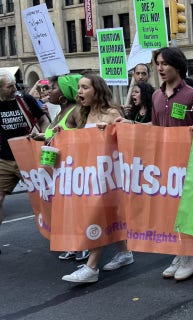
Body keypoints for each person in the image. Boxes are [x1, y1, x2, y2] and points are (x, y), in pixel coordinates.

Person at [60, 73, 130, 283]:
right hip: (91, 174)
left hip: (109, 175)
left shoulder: (112, 112)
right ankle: (125, 253)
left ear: (97, 90)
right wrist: (57, 134)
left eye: (85, 88)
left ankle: (91, 267)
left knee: (98, 215)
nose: (79, 92)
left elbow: (126, 138)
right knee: (110, 215)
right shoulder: (83, 114)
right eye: (79, 88)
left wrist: (110, 130)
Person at [148, 47, 193, 280]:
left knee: (187, 210)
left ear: (178, 65)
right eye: (158, 64)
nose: (160, 68)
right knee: (170, 211)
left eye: (164, 63)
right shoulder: (156, 96)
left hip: (188, 163)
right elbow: (154, 129)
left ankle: (191, 254)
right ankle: (179, 253)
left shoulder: (192, 95)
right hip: (164, 163)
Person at [31, 74, 90, 261]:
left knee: (77, 208)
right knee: (66, 208)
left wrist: (62, 137)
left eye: (54, 88)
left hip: (74, 168)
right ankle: (73, 244)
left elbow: (86, 138)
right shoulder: (59, 113)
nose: (49, 91)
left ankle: (85, 245)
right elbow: (54, 136)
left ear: (64, 93)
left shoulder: (76, 111)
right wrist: (42, 137)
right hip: (58, 169)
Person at [0, 70, 50, 255]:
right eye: (9, 86)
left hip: (30, 156)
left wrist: (45, 140)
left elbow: (44, 120)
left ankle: (60, 235)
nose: (14, 89)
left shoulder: (25, 100)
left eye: (14, 84)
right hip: (5, 158)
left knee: (46, 197)